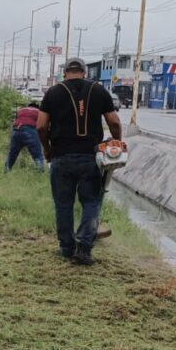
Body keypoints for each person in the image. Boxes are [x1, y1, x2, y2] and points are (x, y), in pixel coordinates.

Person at [36, 58, 123, 265]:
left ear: (65, 72)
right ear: (84, 72)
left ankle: (66, 249)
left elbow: (40, 126)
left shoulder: (53, 92)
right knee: (91, 202)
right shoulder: (99, 90)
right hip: (90, 158)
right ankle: (84, 248)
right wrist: (117, 143)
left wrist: (47, 149)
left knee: (63, 204)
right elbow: (114, 122)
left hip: (61, 157)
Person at [6, 101, 45, 171]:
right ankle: (40, 171)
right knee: (38, 155)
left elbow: (16, 119)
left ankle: (7, 169)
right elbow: (41, 126)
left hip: (16, 130)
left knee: (12, 153)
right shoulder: (39, 111)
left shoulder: (21, 110)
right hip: (29, 130)